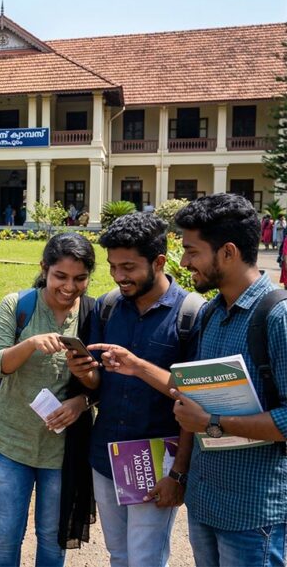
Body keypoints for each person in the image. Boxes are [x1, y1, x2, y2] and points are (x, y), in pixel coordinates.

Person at [88, 194, 287, 567]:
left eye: (192, 251)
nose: (184, 262)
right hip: (204, 503)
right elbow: (192, 396)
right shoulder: (212, 313)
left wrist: (211, 423)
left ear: (227, 252)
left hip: (252, 511)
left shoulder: (276, 316)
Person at [67, 212, 200, 567]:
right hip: (105, 455)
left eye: (128, 267)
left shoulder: (190, 314)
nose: (118, 276)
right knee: (119, 555)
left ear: (159, 262)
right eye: (113, 267)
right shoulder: (108, 307)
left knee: (145, 559)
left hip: (156, 462)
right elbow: (98, 384)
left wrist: (178, 474)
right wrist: (85, 374)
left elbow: (195, 398)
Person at [0, 232, 97, 567]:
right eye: (60, 276)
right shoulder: (18, 306)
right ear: (44, 269)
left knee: (51, 537)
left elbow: (107, 380)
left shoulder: (95, 314)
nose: (69, 287)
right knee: (6, 536)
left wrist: (82, 402)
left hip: (62, 451)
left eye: (80, 278)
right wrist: (31, 343)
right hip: (11, 442)